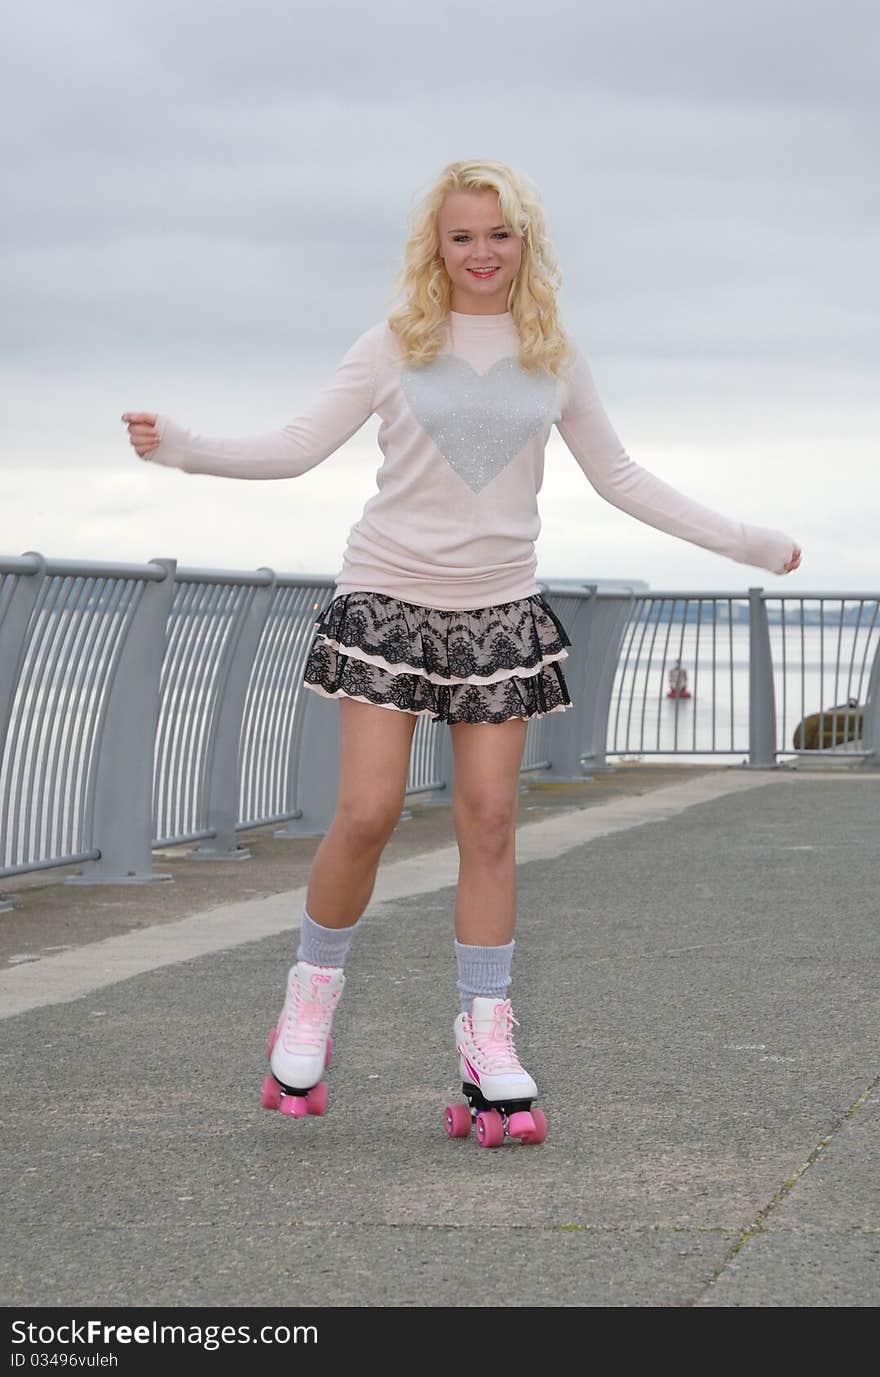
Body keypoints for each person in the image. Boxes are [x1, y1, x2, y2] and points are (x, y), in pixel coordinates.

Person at [122, 157, 802, 1148]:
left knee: (488, 822)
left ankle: (488, 1036)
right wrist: (184, 444)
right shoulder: (394, 345)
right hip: (389, 599)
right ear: (434, 248)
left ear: (525, 242)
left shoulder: (550, 353)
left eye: (498, 234)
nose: (481, 253)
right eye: (461, 236)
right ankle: (308, 1003)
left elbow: (620, 477)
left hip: (497, 613)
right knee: (367, 813)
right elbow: (298, 444)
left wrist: (745, 542)